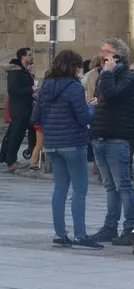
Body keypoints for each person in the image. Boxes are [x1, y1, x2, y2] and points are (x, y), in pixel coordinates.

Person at [32, 50, 98, 248]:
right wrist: (93, 107)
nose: (80, 70)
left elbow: (35, 117)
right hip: (73, 143)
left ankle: (60, 235)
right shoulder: (74, 87)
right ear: (73, 67)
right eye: (78, 66)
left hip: (52, 144)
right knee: (79, 189)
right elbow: (83, 117)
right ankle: (80, 235)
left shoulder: (46, 86)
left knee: (60, 188)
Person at [89, 38, 134, 246]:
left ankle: (130, 229)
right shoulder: (104, 76)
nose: (101, 56)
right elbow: (101, 98)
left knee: (124, 186)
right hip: (100, 135)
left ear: (118, 56)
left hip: (118, 138)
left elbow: (111, 94)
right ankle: (110, 226)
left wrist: (108, 73)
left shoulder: (127, 76)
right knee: (110, 186)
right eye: (101, 51)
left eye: (106, 52)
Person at [6, 47, 35, 172]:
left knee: (18, 134)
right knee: (16, 135)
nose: (32, 56)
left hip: (25, 107)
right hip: (19, 108)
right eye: (29, 54)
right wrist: (31, 90)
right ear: (23, 57)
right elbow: (13, 90)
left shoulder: (24, 71)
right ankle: (11, 161)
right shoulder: (15, 72)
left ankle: (10, 159)